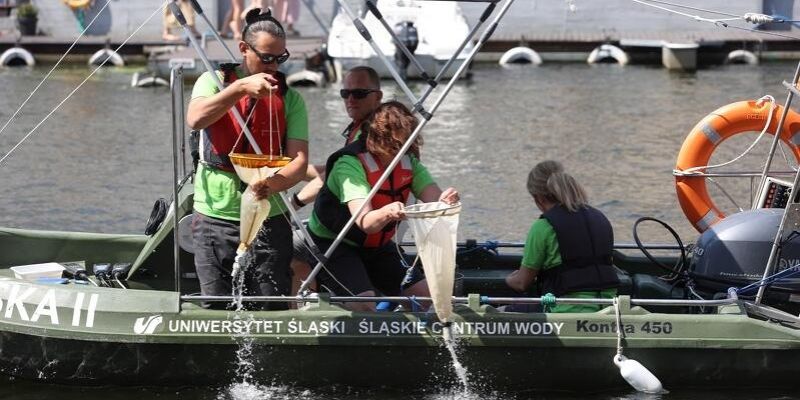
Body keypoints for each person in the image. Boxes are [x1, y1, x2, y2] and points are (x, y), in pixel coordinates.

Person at [186, 8, 308, 309]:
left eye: (281, 58)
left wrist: (273, 184)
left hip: (269, 216)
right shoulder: (213, 81)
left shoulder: (290, 98)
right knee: (216, 307)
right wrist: (240, 88)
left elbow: (299, 162)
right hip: (215, 215)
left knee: (269, 307)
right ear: (244, 49)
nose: (274, 65)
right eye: (267, 58)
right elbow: (195, 119)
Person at [306, 101, 459, 311]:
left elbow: (434, 198)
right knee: (365, 304)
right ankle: (326, 296)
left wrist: (445, 201)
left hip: (377, 246)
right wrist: (388, 212)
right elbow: (366, 222)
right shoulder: (349, 165)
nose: (400, 152)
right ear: (377, 138)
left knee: (428, 297)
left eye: (406, 144)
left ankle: (408, 335)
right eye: (395, 145)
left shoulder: (408, 161)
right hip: (334, 244)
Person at [288, 66, 382, 295]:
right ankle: (312, 297)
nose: (350, 99)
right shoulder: (372, 129)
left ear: (378, 96)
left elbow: (331, 179)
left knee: (283, 245)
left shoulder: (366, 137)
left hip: (344, 230)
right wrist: (295, 170)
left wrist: (293, 203)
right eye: (345, 94)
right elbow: (333, 171)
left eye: (359, 94)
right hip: (367, 227)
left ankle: (301, 311)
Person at [504, 160, 619, 313]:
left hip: (566, 312)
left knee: (500, 311)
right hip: (609, 309)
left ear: (539, 198)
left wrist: (508, 279)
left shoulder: (543, 227)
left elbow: (521, 283)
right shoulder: (601, 218)